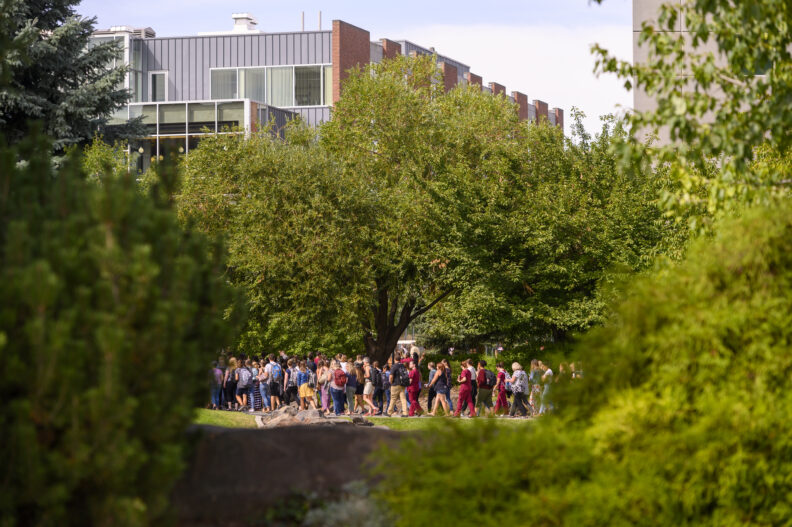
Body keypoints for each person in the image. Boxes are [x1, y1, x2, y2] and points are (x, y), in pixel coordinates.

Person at [387, 352, 410, 417]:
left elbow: (391, 376)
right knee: (403, 399)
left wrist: (390, 382)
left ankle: (389, 412)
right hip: (402, 384)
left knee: (393, 398)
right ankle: (405, 413)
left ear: (394, 359)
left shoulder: (394, 366)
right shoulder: (403, 365)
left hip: (395, 384)